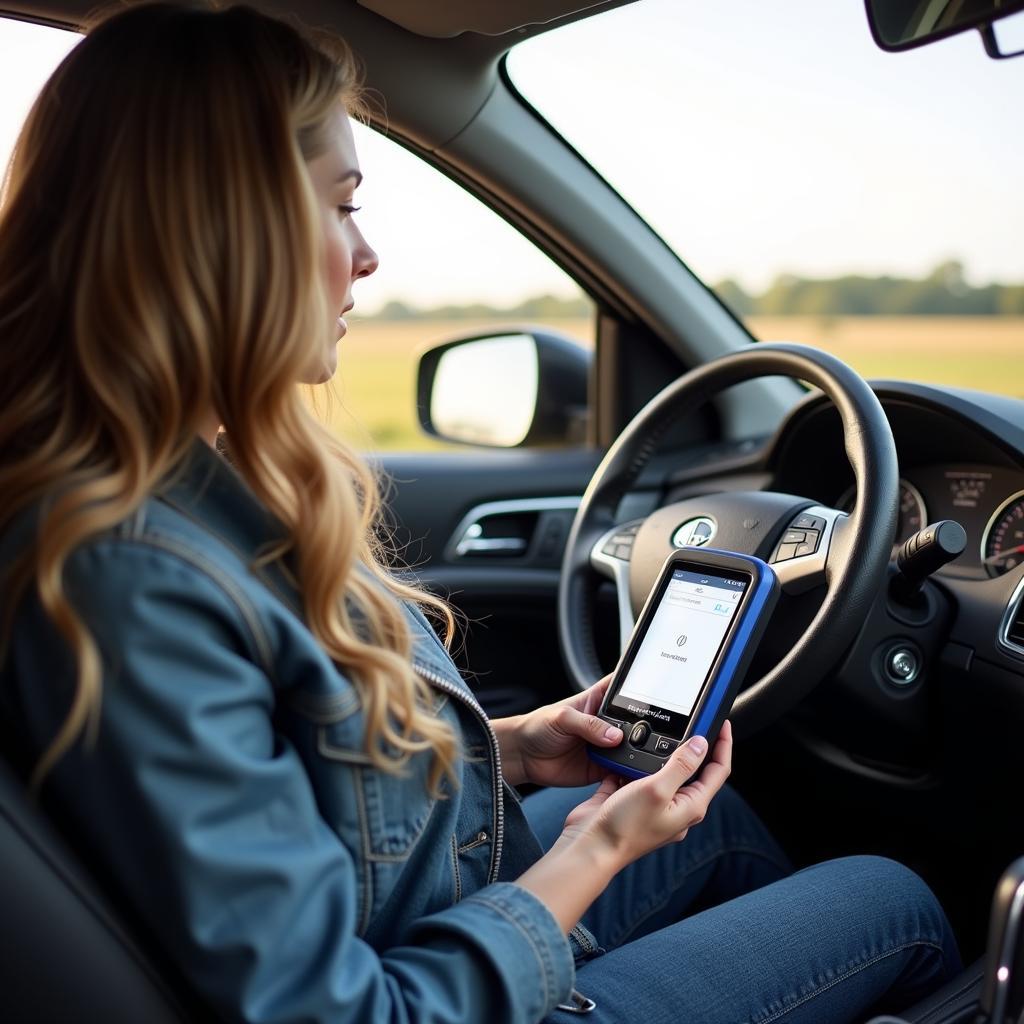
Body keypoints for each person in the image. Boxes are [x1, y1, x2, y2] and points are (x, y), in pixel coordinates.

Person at [0, 4, 961, 1022]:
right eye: (340, 205)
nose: (365, 255)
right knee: (891, 898)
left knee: (722, 827)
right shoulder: (132, 571)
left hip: (414, 923)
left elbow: (292, 775)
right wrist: (601, 845)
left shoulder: (151, 494)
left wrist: (505, 746)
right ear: (225, 228)